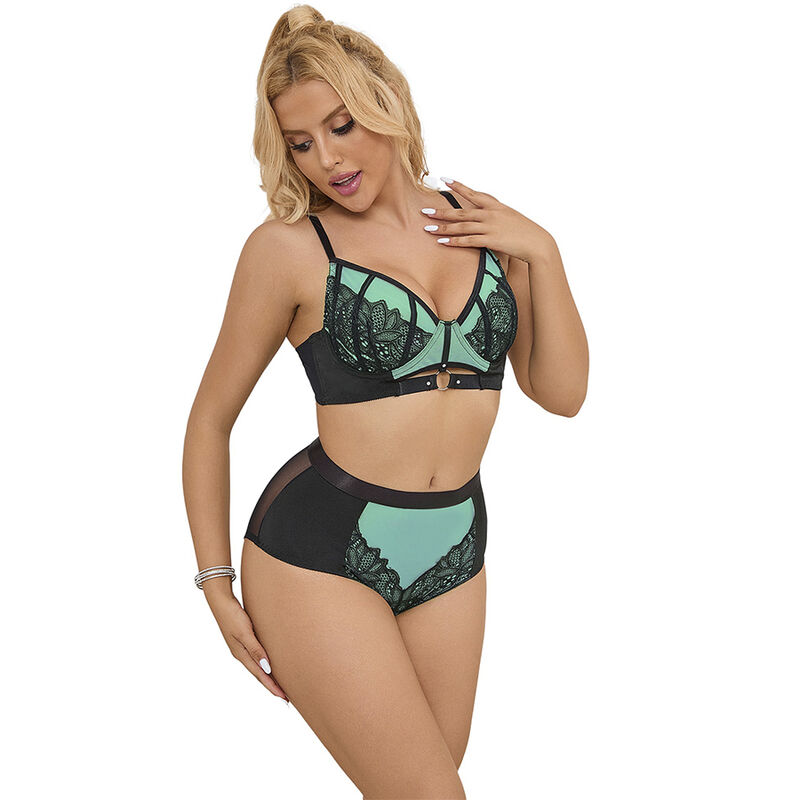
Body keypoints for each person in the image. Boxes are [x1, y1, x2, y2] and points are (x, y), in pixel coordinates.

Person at [182, 5, 589, 798]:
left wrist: (544, 252)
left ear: (388, 101)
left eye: (341, 126)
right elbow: (210, 419)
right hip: (317, 550)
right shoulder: (289, 250)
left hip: (454, 548)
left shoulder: (482, 227)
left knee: (420, 785)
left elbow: (562, 393)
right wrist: (214, 582)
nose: (327, 158)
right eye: (301, 143)